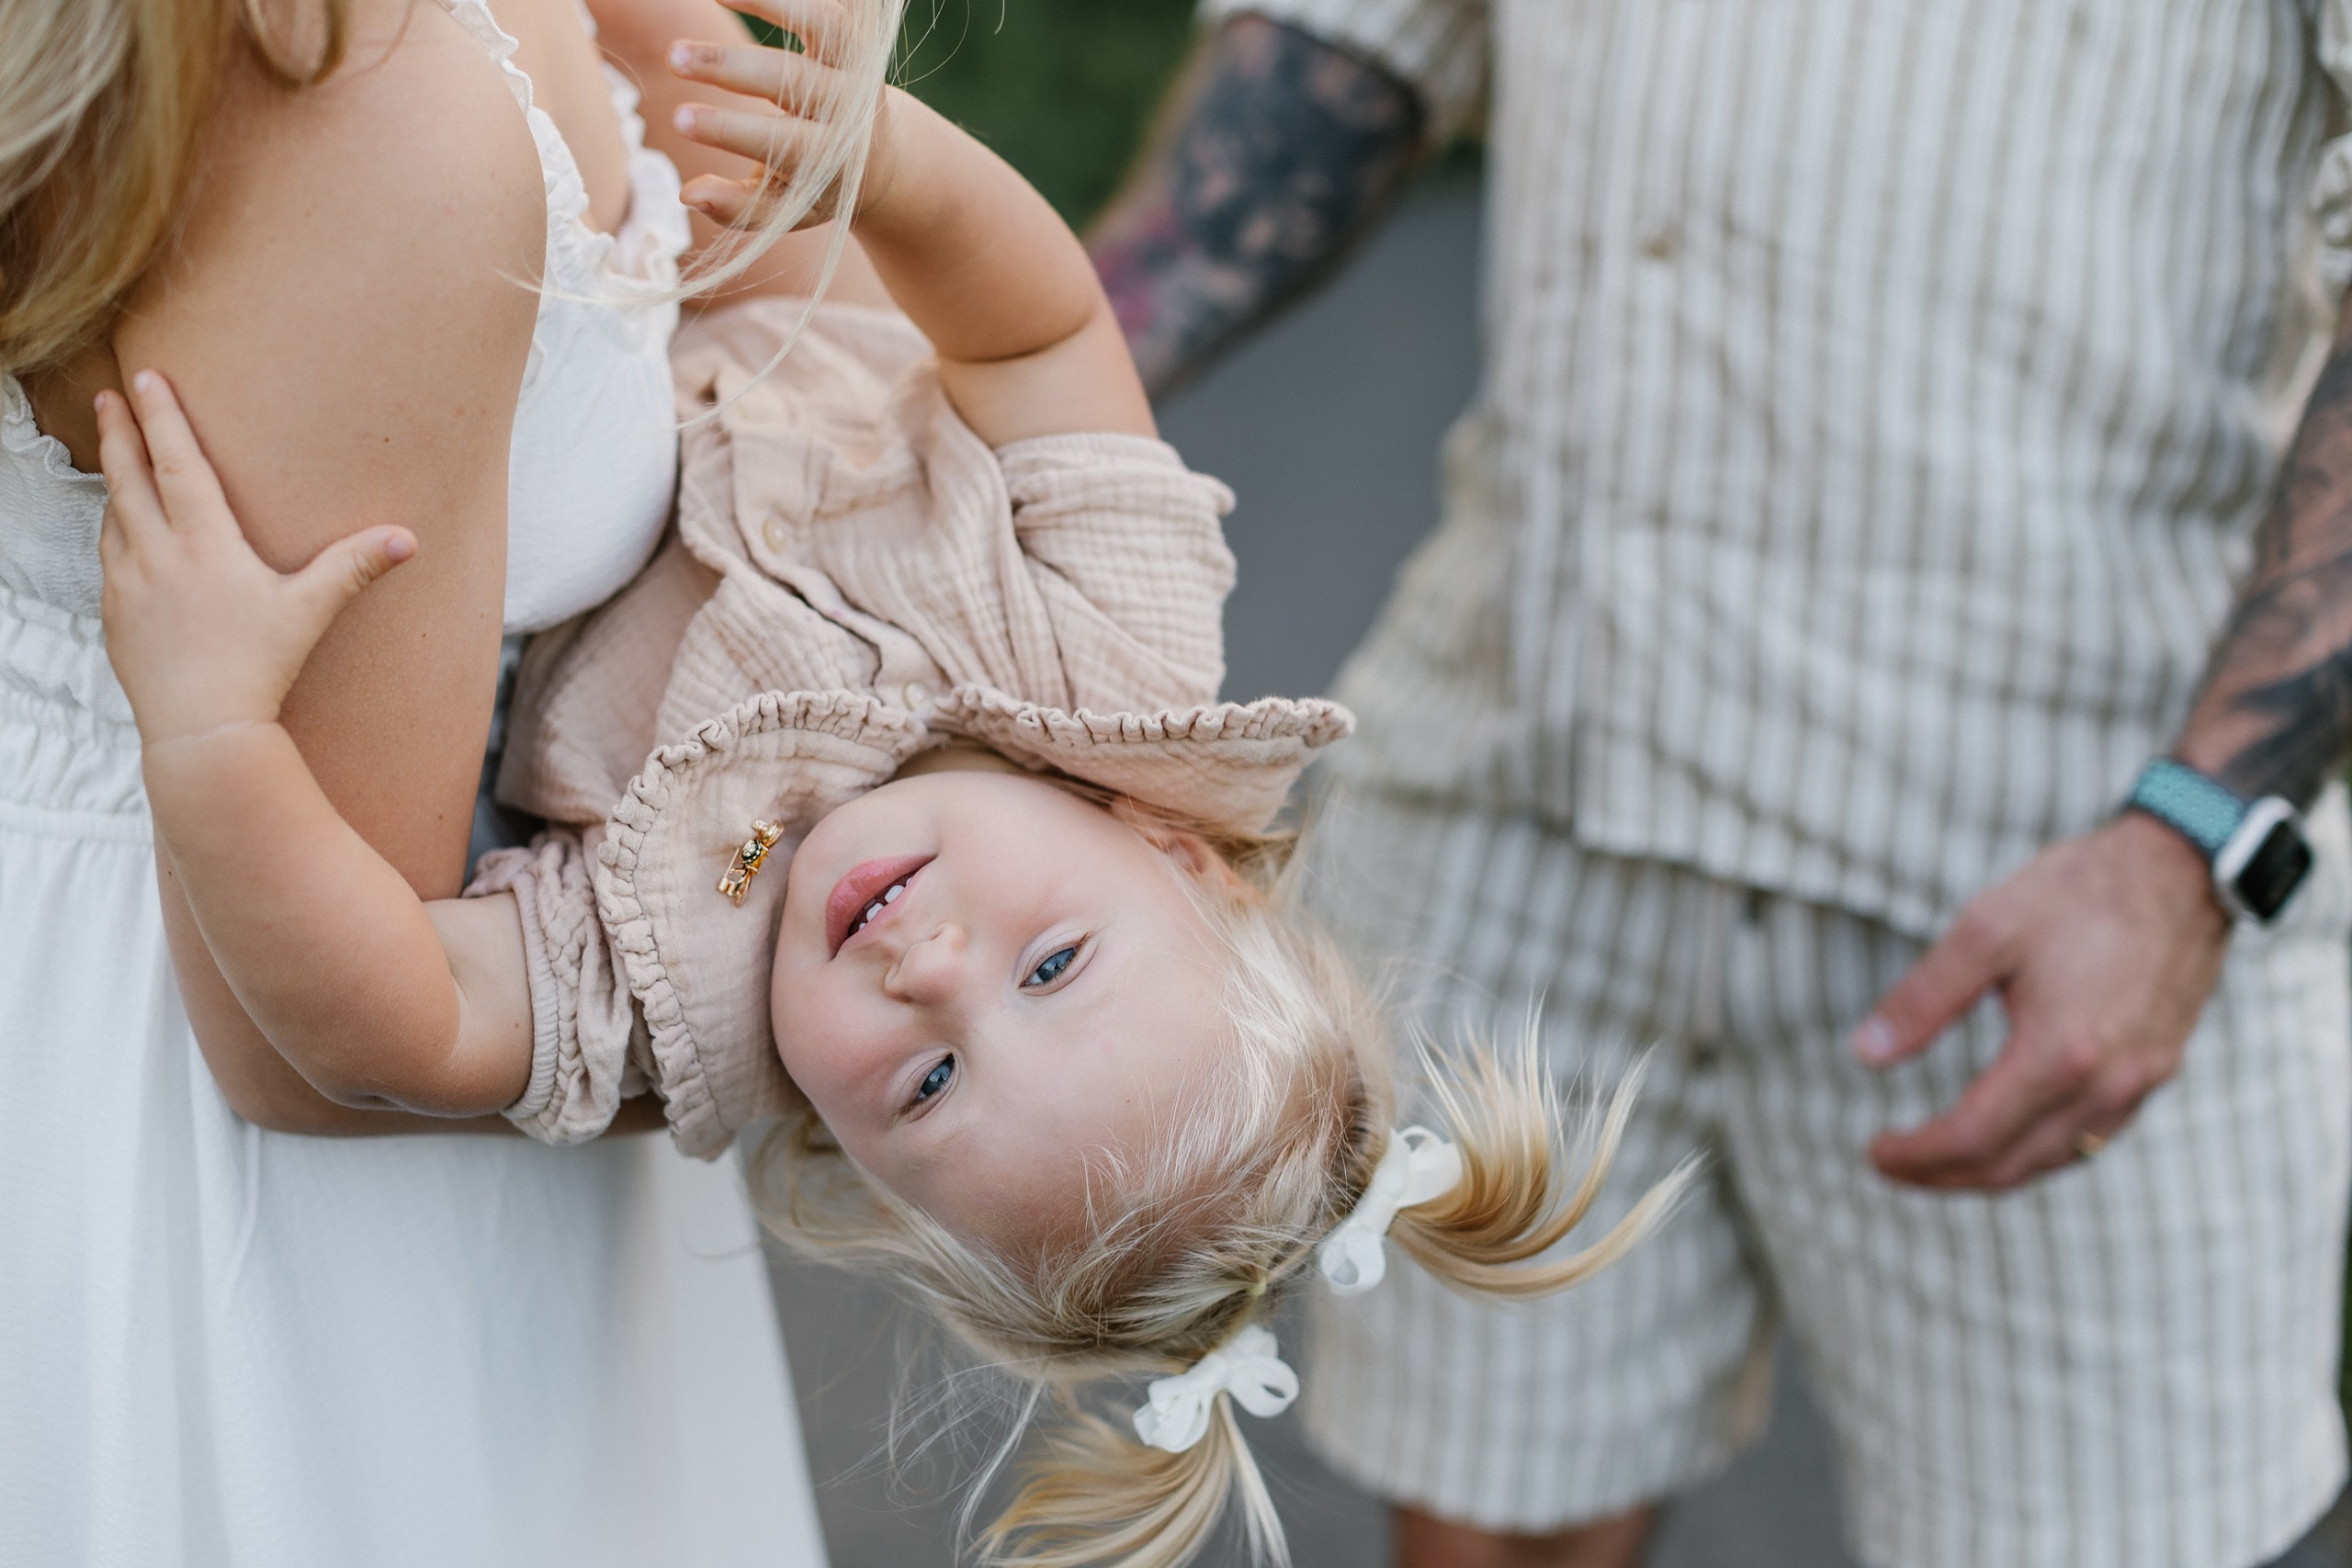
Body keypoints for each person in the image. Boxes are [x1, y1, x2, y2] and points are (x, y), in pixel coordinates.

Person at [85, 19, 1688, 1566]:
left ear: (857, 1164)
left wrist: (214, 730)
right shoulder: (1116, 654)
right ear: (1177, 853)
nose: (928, 974)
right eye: (1051, 967)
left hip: (549, 342)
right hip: (743, 255)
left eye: (924, 1086)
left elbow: (397, 1024)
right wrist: (883, 165)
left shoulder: (680, 992)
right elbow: (1042, 335)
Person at [1090, 4, 2352, 1567]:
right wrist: (980, 399)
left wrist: (2204, 840)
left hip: (2063, 846)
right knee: (1495, 1519)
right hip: (1525, 776)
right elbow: (1342, 57)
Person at [0, 0, 868, 1560]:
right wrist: (817, 1013)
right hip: (248, 1126)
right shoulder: (362, 111)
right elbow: (323, 1045)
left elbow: (827, 322)